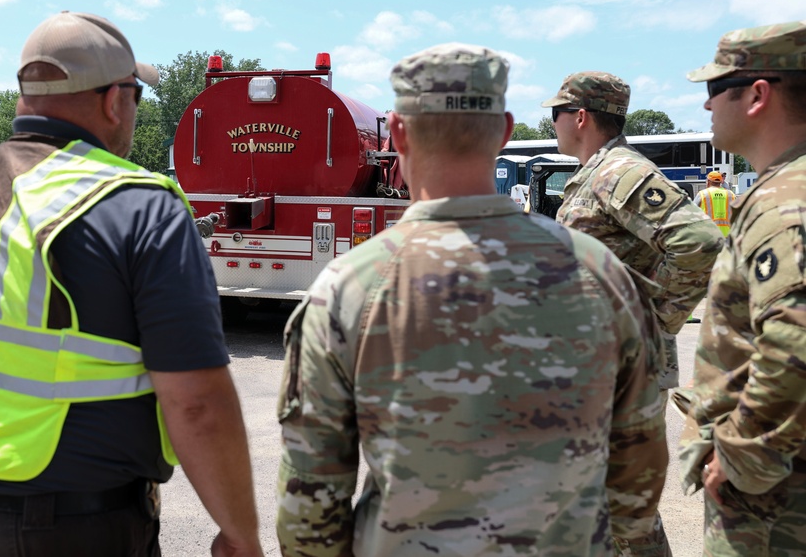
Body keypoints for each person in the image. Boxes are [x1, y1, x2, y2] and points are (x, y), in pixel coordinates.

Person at [0, 11, 264, 557]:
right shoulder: (139, 206)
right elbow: (196, 402)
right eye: (137, 96)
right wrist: (240, 532)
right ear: (113, 99)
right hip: (68, 528)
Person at [276, 43, 667, 556]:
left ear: (397, 133)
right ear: (505, 132)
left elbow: (309, 506)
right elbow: (638, 474)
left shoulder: (347, 288)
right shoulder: (600, 272)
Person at [680, 20, 806, 554]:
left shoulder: (785, 202)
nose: (707, 108)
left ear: (758, 94)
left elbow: (796, 341)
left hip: (776, 501)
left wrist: (737, 455)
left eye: (715, 90)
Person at [543, 72, 723, 397]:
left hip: (623, 367)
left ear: (580, 117)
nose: (553, 123)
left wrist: (653, 318)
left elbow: (701, 242)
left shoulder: (619, 172)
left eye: (556, 113)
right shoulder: (594, 173)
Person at [693, 171, 736, 236]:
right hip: (727, 235)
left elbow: (691, 211)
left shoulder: (703, 194)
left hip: (708, 235)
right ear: (720, 182)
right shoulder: (731, 194)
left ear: (708, 181)